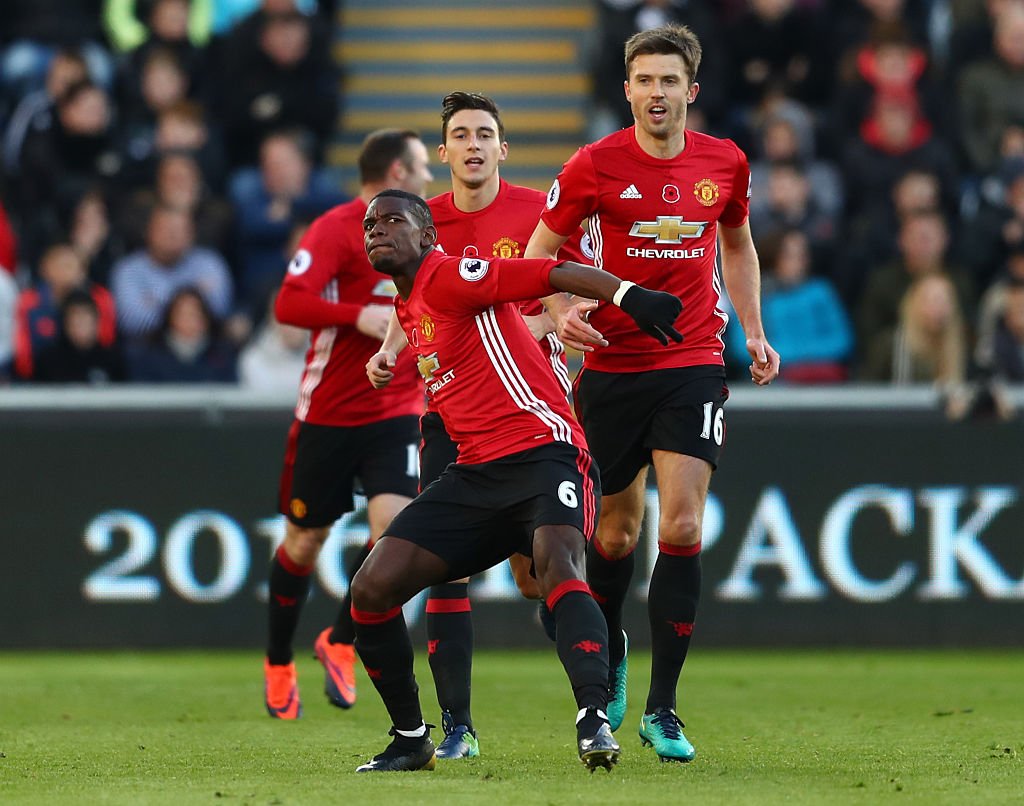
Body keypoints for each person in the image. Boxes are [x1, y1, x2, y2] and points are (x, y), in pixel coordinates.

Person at [350, 188, 683, 773]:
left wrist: (628, 296)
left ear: (427, 235)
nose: (376, 229)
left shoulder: (451, 275)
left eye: (392, 219)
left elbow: (548, 270)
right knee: (371, 588)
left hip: (544, 452)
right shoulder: (408, 308)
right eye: (370, 223)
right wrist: (386, 355)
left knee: (557, 565)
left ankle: (593, 718)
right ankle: (411, 738)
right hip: (475, 473)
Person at [525, 23, 780, 763]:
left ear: (690, 90)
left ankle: (663, 708)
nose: (657, 92)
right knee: (614, 535)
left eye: (669, 80)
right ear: (627, 90)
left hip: (693, 359)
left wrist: (753, 331)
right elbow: (539, 255)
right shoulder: (593, 165)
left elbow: (738, 244)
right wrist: (557, 314)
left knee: (684, 524)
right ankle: (610, 656)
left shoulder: (724, 162)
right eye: (645, 80)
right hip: (611, 367)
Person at [365, 91, 587, 760]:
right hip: (451, 418)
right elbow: (414, 302)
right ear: (443, 152)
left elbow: (565, 286)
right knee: (444, 569)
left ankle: (592, 653)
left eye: (484, 134)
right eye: (460, 134)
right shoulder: (421, 219)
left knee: (538, 576)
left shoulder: (535, 211)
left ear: (502, 148)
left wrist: (547, 321)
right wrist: (390, 352)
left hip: (529, 411)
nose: (473, 145)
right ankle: (456, 725)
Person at [262, 128, 433, 720]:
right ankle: (278, 660)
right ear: (397, 171)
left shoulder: (426, 228)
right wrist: (354, 315)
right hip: (330, 414)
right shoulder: (336, 229)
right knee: (304, 542)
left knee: (396, 531)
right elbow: (288, 304)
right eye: (421, 165)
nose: (429, 176)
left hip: (398, 407)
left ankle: (339, 639)